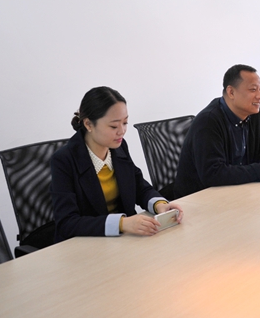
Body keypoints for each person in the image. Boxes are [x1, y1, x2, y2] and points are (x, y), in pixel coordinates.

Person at [52, 86, 183, 242]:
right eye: (114, 126)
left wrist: (160, 205)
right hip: (87, 244)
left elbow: (139, 187)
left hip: (124, 240)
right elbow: (67, 223)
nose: (122, 131)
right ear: (88, 124)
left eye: (125, 122)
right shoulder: (64, 160)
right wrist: (122, 223)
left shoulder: (119, 147)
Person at [173, 64, 260, 197]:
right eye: (253, 90)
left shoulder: (255, 114)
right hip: (199, 198)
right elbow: (213, 174)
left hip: (239, 190)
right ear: (231, 92)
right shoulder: (208, 121)